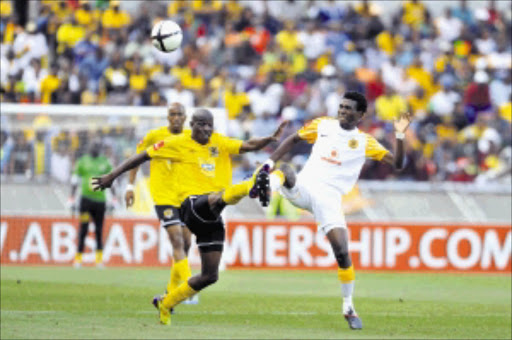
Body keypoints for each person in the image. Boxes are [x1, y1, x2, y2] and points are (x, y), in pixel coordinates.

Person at [92, 108, 286, 325]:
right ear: (191, 124)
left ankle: (166, 303)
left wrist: (269, 139)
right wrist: (112, 176)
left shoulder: (218, 141)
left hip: (212, 215)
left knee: (210, 275)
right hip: (191, 205)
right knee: (218, 197)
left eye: (209, 125)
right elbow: (142, 156)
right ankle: (252, 185)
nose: (206, 129)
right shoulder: (176, 142)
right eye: (201, 124)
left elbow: (249, 145)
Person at [262, 91, 411, 330]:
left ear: (360, 115)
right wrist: (268, 163)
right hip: (305, 188)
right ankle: (265, 184)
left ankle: (349, 307)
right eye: (341, 107)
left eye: (348, 108)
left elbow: (399, 164)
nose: (342, 111)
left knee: (342, 252)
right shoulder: (323, 124)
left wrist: (400, 135)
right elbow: (293, 139)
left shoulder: (365, 142)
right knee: (287, 171)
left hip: (330, 201)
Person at [125, 103, 195, 308]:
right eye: (172, 114)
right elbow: (135, 160)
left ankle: (171, 293)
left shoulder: (192, 138)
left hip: (186, 196)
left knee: (187, 243)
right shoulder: (154, 136)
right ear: (167, 117)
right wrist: (130, 186)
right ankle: (190, 289)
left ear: (185, 117)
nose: (175, 118)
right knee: (177, 240)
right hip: (164, 197)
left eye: (179, 114)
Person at [70, 140, 114, 268]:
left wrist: (115, 198)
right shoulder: (83, 161)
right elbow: (75, 179)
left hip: (100, 201)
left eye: (97, 146)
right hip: (86, 200)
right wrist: (72, 197)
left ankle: (99, 260)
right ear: (89, 148)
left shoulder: (105, 162)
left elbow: (112, 180)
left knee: (99, 230)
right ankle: (78, 258)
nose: (94, 148)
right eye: (93, 146)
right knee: (83, 228)